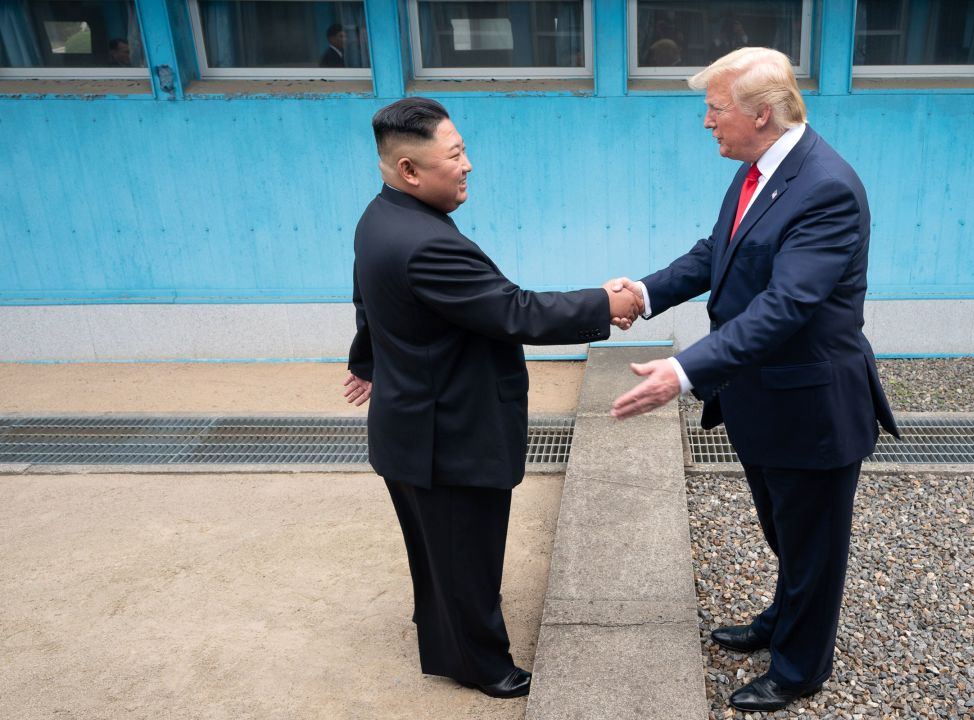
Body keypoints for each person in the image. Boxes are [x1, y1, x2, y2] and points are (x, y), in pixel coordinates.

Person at [606, 47, 900, 713]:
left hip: (811, 409)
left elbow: (785, 307)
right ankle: (780, 620)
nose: (707, 123)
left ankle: (800, 668)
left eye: (715, 111)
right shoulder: (759, 169)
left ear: (761, 115)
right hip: (763, 400)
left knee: (814, 545)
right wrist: (644, 294)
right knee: (786, 532)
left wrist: (685, 369)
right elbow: (720, 252)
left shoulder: (826, 187)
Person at [343, 98, 640, 699]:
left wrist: (367, 361)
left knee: (439, 552)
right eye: (454, 157)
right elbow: (512, 310)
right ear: (408, 169)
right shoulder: (426, 242)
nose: (468, 165)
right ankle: (482, 665)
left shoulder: (380, 218)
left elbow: (370, 299)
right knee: (466, 557)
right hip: (447, 434)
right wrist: (604, 303)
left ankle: (449, 637)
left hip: (413, 426)